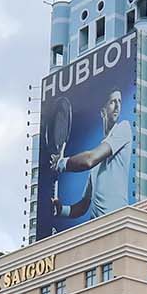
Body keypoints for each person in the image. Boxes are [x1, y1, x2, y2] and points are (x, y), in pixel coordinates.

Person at [46, 87, 132, 223]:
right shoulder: (97, 158)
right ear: (103, 111)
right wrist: (61, 209)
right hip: (96, 228)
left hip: (118, 225)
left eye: (119, 101)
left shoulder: (124, 128)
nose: (117, 106)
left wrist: (61, 163)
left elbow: (89, 160)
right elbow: (84, 205)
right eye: (112, 102)